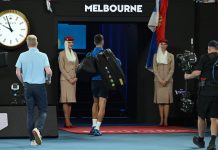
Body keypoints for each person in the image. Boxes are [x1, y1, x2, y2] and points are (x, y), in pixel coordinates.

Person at [15, 35, 52, 146]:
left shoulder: (22, 55)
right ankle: (38, 129)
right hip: (39, 86)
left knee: (30, 112)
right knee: (43, 111)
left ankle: (32, 140)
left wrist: (23, 83)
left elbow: (17, 72)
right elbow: (49, 72)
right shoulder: (43, 55)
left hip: (28, 87)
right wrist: (48, 80)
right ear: (37, 43)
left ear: (27, 43)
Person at [184, 40, 218, 150]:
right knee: (214, 118)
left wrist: (187, 76)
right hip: (217, 92)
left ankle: (201, 140)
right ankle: (212, 142)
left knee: (201, 116)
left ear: (209, 48)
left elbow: (197, 73)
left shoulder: (205, 57)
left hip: (205, 91)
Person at [89, 34, 109, 136]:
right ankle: (97, 128)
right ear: (103, 42)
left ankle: (93, 126)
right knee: (102, 104)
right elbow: (118, 63)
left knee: (95, 103)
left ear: (94, 42)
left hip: (93, 81)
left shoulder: (91, 54)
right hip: (103, 81)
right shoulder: (105, 53)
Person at [153, 39, 174, 127]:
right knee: (160, 102)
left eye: (165, 44)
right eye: (162, 44)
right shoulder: (155, 56)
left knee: (166, 102)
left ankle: (166, 120)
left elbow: (172, 69)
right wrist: (160, 79)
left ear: (167, 46)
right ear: (160, 45)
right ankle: (161, 120)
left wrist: (166, 80)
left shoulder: (171, 56)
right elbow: (155, 69)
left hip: (168, 81)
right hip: (158, 81)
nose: (163, 45)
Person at [58, 36, 79, 128]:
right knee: (65, 100)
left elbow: (78, 67)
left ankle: (68, 120)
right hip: (65, 79)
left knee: (70, 101)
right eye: (70, 42)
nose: (71, 44)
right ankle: (66, 120)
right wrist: (69, 78)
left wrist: (75, 77)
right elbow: (61, 68)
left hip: (73, 79)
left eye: (72, 42)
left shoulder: (74, 54)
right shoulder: (61, 54)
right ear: (66, 43)